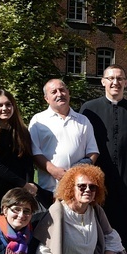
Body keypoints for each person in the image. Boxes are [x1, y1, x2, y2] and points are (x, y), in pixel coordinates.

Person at [81, 65, 127, 254]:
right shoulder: (89, 109)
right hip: (99, 176)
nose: (115, 82)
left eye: (119, 79)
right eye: (110, 78)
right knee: (98, 218)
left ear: (126, 83)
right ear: (103, 82)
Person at [29, 79, 99, 207]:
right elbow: (34, 151)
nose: (59, 94)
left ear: (68, 93)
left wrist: (76, 172)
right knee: (51, 225)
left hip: (78, 190)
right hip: (49, 189)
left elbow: (93, 151)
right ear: (46, 98)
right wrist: (53, 170)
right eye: (54, 92)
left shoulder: (83, 120)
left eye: (62, 90)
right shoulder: (38, 120)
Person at [0, 89, 38, 222]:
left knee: (22, 229)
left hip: (21, 190)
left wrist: (28, 185)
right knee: (0, 231)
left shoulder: (22, 131)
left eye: (8, 104)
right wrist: (23, 184)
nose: (5, 108)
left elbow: (27, 162)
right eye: (0, 105)